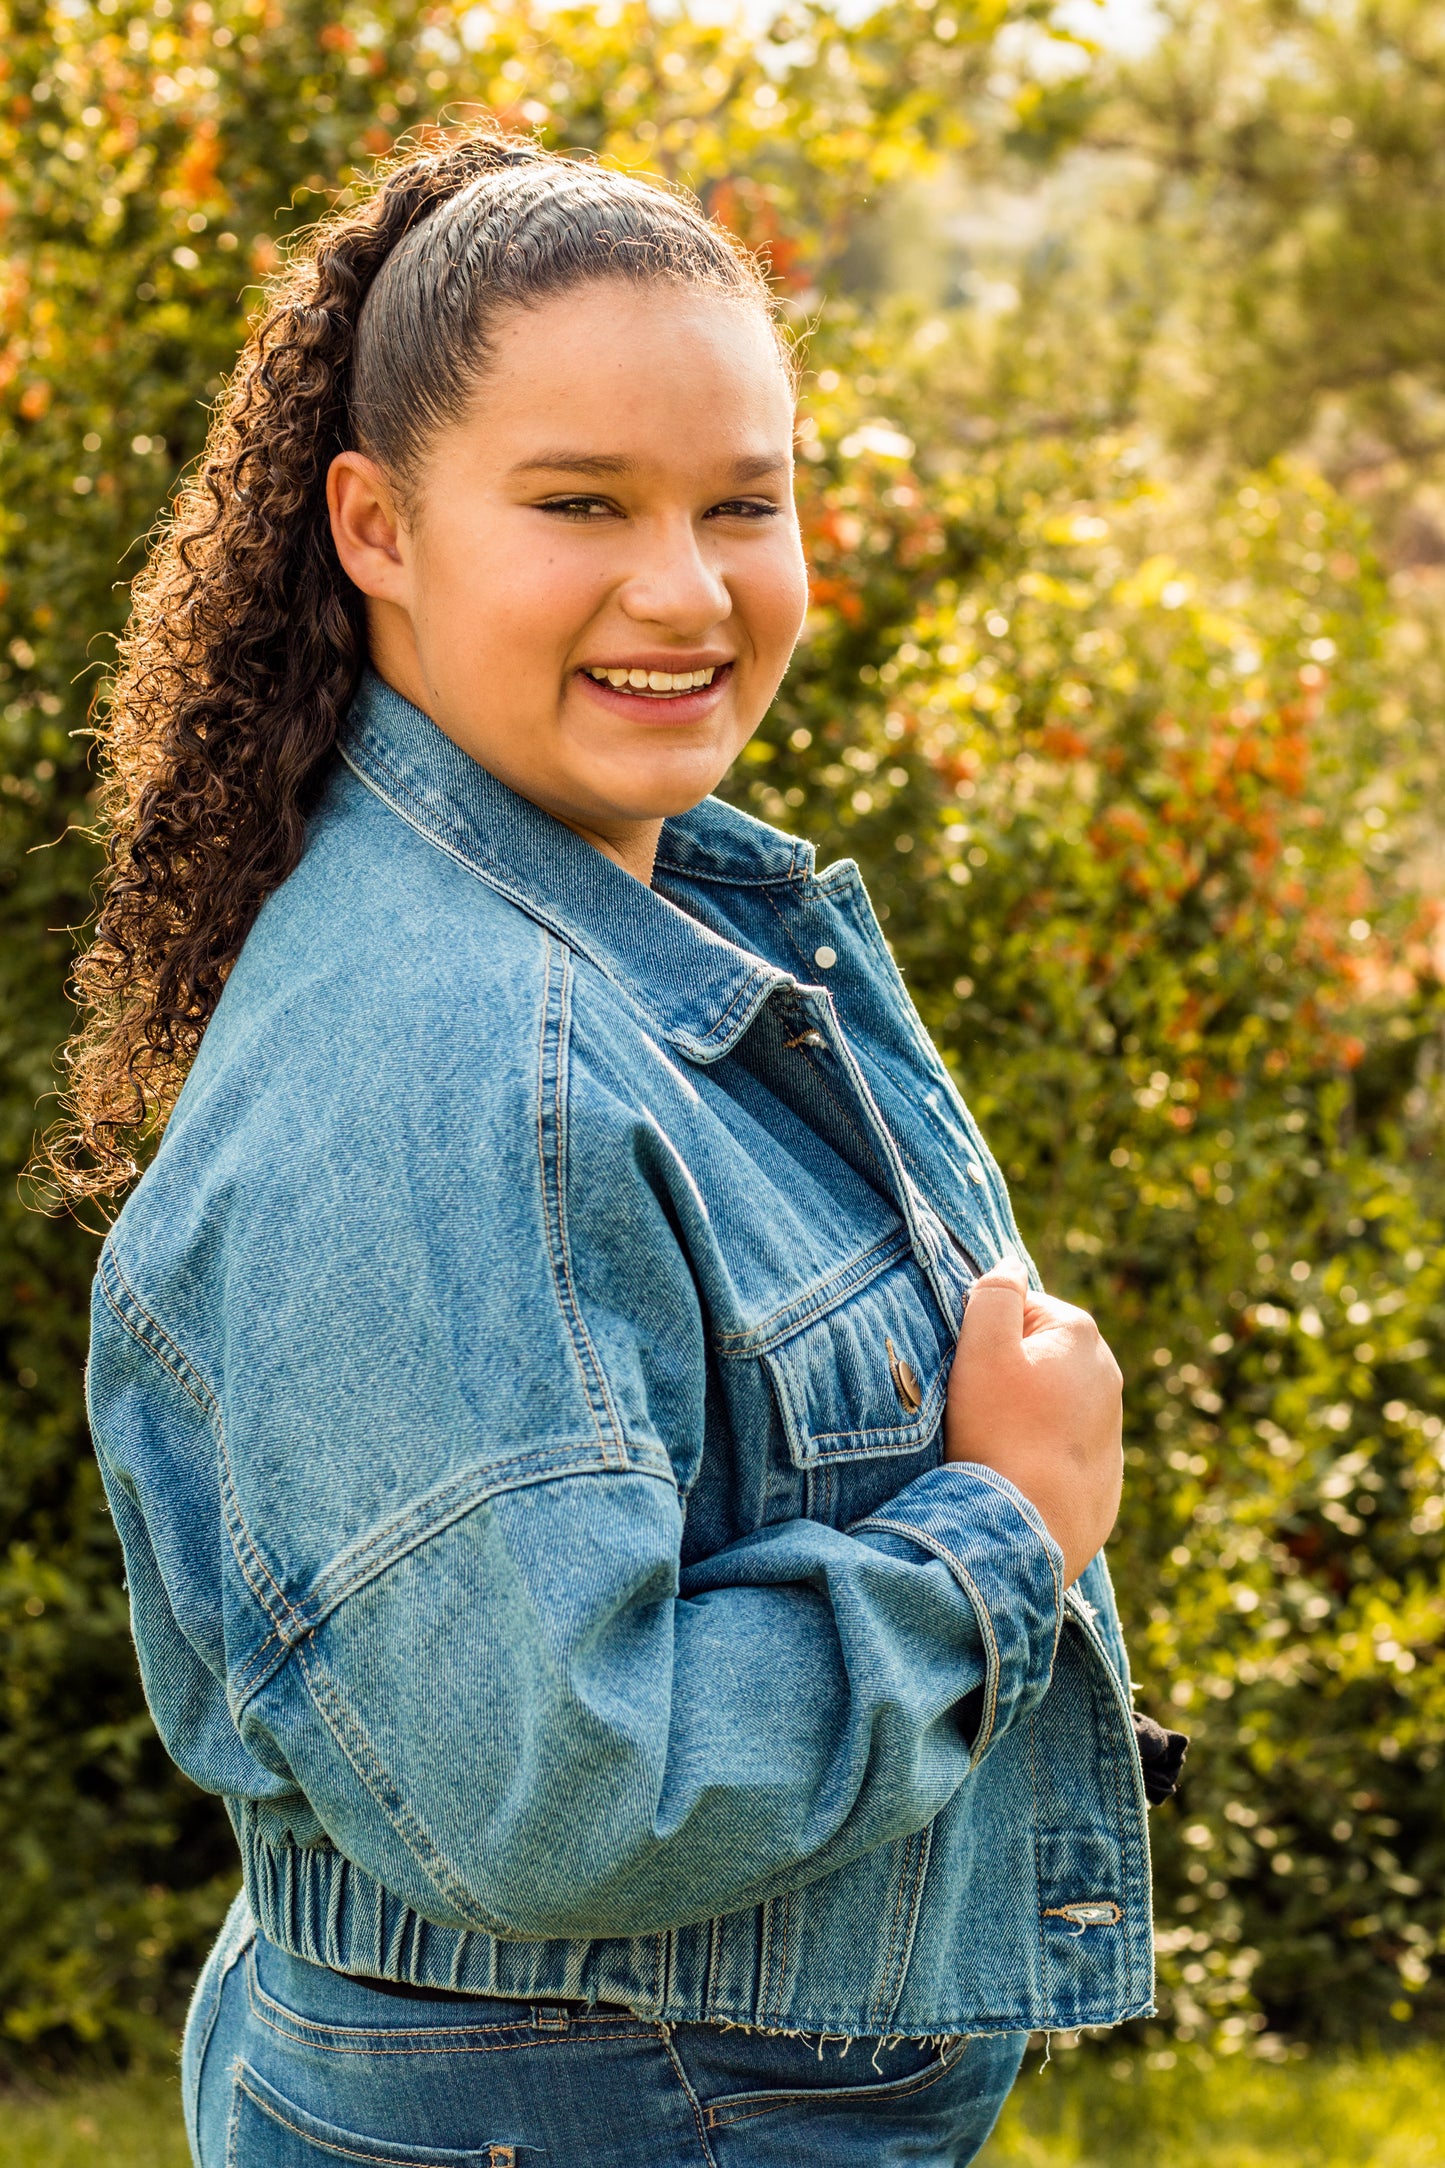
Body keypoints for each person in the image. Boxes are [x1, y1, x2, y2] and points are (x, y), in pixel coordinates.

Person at [62, 131, 1152, 2166]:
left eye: (744, 501)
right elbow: (560, 1782)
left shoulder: (619, 911)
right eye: (581, 504)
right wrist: (1002, 1532)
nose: (686, 586)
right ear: (375, 527)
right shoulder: (473, 1053)